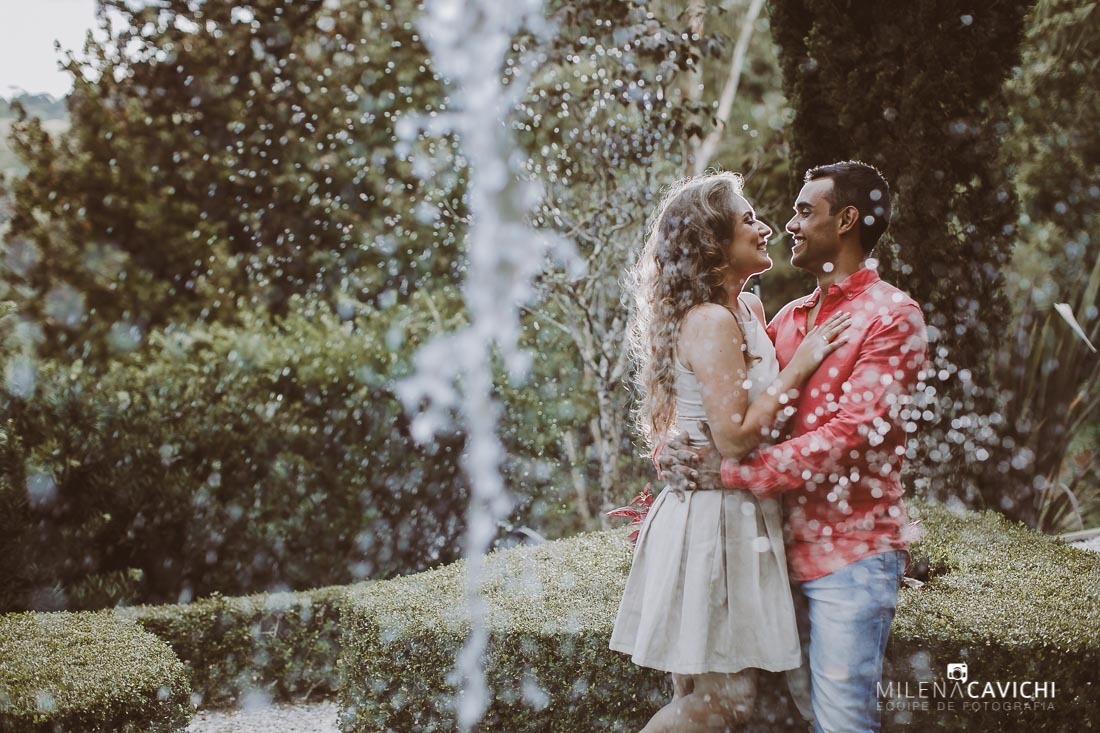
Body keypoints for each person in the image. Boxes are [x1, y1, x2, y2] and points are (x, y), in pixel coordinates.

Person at [660, 161, 929, 733]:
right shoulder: (787, 319)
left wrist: (731, 475)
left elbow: (851, 437)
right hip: (768, 554)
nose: (788, 224)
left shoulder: (891, 317)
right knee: (762, 715)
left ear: (847, 220)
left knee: (842, 722)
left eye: (805, 211)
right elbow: (733, 408)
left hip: (848, 559)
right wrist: (679, 451)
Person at [608, 171, 853, 732]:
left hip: (735, 512)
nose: (765, 228)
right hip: (712, 521)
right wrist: (802, 363)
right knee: (724, 704)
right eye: (748, 220)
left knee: (710, 698)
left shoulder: (746, 310)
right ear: (713, 242)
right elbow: (736, 437)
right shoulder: (712, 321)